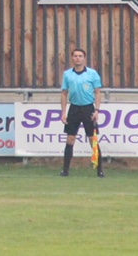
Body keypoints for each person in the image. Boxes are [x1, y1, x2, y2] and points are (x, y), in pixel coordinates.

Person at [60, 47, 103, 177]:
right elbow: (64, 93)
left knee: (92, 139)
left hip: (88, 108)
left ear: (84, 58)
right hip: (74, 109)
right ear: (72, 58)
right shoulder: (67, 74)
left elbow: (97, 92)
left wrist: (97, 110)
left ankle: (100, 170)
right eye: (75, 56)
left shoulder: (92, 73)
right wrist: (63, 112)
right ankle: (65, 170)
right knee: (70, 138)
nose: (78, 58)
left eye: (80, 56)